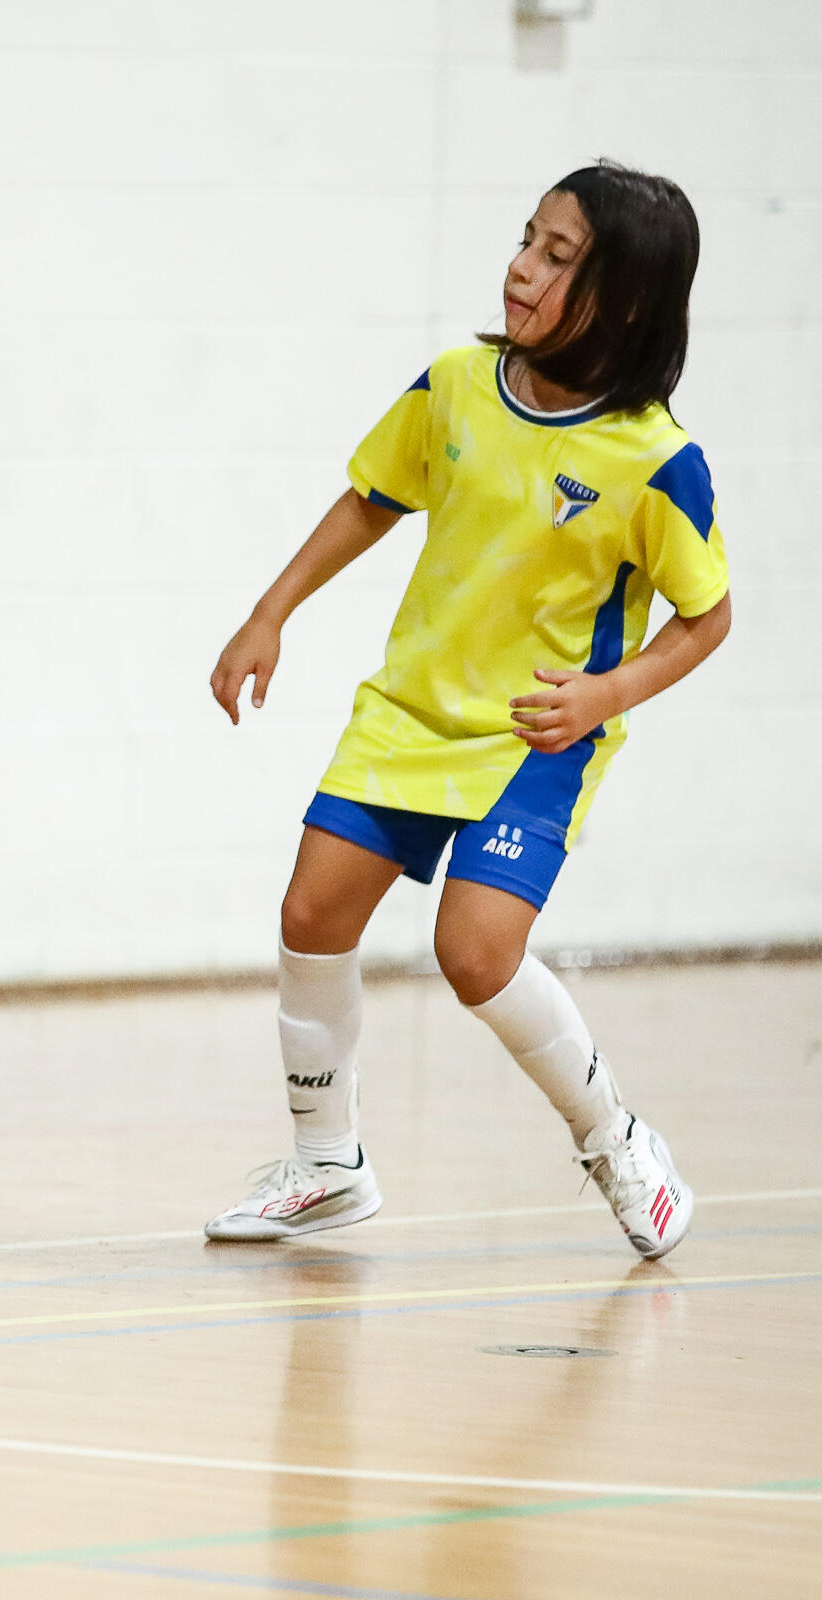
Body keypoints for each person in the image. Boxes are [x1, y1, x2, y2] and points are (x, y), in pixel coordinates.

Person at [205, 162, 728, 1259]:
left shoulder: (656, 460)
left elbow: (706, 617)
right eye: (525, 239)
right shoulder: (454, 382)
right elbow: (372, 498)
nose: (521, 267)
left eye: (557, 255)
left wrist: (607, 693)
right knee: (310, 917)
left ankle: (618, 1138)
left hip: (536, 735)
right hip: (409, 715)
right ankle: (327, 1163)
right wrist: (270, 612)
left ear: (627, 299)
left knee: (477, 953)